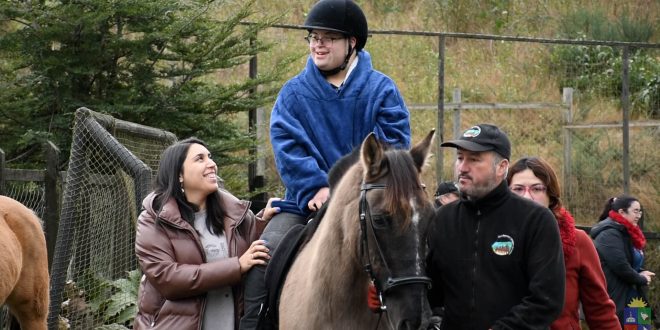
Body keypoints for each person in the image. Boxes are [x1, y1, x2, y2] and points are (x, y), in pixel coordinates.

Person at [240, 0, 411, 328]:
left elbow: (394, 148)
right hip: (305, 203)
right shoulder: (293, 93)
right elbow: (288, 148)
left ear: (352, 43)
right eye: (314, 37)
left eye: (328, 37)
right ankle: (257, 322)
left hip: (368, 203)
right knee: (264, 255)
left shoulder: (382, 91)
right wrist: (315, 186)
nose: (318, 44)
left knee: (413, 252)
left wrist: (356, 193)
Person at [426, 124, 565, 329]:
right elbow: (432, 292)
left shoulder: (536, 220)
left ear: (501, 167)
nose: (463, 167)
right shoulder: (443, 219)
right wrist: (386, 292)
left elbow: (546, 299)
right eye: (460, 157)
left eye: (474, 159)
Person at [134, 138, 280, 330]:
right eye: (200, 159)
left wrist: (263, 221)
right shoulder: (153, 221)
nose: (212, 164)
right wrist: (236, 267)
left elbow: (252, 250)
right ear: (179, 175)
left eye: (210, 157)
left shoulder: (235, 215)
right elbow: (167, 278)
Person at [507, 156, 619, 329]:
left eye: (537, 189)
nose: (527, 197)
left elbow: (600, 310)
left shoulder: (578, 241)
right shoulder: (491, 239)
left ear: (550, 196)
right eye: (518, 189)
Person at [590, 195, 655, 326]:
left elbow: (629, 262)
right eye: (635, 211)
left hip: (634, 294)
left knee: (642, 328)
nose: (639, 215)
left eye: (640, 211)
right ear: (621, 212)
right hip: (619, 297)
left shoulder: (626, 232)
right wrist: (641, 278)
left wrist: (641, 272)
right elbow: (620, 266)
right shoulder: (608, 234)